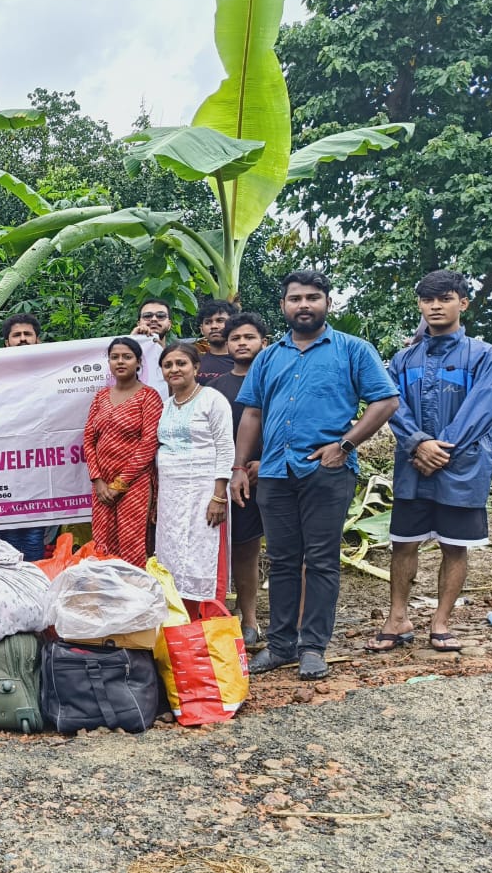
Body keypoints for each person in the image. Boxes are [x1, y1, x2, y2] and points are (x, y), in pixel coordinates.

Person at [231, 269, 399, 681]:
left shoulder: (353, 350)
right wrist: (238, 467)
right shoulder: (268, 357)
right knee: (283, 560)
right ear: (283, 305)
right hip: (273, 472)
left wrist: (345, 445)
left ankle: (312, 647)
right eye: (295, 298)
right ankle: (281, 645)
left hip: (327, 471)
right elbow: (252, 413)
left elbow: (386, 401)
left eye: (312, 297)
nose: (303, 305)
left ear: (327, 302)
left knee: (321, 560)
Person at [368, 271, 492, 654]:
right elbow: (392, 404)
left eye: (445, 298)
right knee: (402, 544)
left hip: (463, 468)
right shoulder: (403, 358)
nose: (436, 306)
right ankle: (398, 618)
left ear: (463, 303)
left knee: (455, 546)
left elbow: (484, 408)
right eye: (428, 300)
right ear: (420, 306)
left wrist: (443, 450)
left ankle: (441, 622)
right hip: (413, 467)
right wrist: (418, 443)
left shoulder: (485, 356)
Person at [154, 343, 235, 605]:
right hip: (171, 495)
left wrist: (219, 496)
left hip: (205, 491)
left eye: (181, 363)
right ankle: (180, 628)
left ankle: (210, 629)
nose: (174, 369)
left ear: (196, 367)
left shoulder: (212, 400)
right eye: (168, 365)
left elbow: (225, 447)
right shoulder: (166, 406)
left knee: (204, 556)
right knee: (173, 554)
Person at [210, 313, 268, 645]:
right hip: (234, 480)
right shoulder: (215, 388)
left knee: (288, 551)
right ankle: (248, 620)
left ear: (264, 341)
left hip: (274, 475)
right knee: (244, 551)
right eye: (236, 338)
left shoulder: (275, 378)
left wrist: (267, 460)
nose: (242, 343)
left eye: (249, 337)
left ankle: (297, 625)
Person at [82, 337, 164, 567]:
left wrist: (118, 485)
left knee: (131, 545)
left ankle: (133, 599)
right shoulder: (100, 397)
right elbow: (89, 439)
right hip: (101, 486)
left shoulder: (149, 397)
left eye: (127, 357)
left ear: (138, 362)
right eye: (115, 357)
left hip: (134, 483)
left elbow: (149, 444)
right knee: (102, 544)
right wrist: (97, 480)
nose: (120, 362)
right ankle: (107, 598)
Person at [0, 314, 48, 560]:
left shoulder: (53, 370)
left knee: (34, 534)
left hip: (40, 468)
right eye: (17, 335)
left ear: (38, 340)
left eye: (28, 334)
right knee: (4, 537)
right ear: (7, 343)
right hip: (2, 468)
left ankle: (34, 589)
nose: (23, 339)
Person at [194, 299, 237, 384]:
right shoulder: (194, 362)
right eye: (208, 322)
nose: (214, 326)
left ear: (233, 324)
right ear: (201, 329)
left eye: (220, 320)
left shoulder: (244, 363)